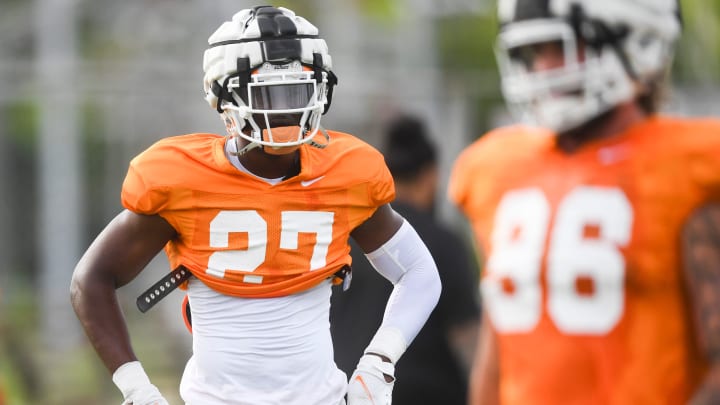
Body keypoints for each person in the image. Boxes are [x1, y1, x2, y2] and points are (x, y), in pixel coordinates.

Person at [70, 6, 441, 405]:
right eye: (268, 93)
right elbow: (90, 281)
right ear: (224, 96)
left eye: (296, 91)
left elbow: (420, 272)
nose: (284, 109)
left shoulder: (345, 175)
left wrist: (379, 363)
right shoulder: (183, 180)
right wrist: (137, 390)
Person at [448, 1, 720, 404]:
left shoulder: (690, 169)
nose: (544, 67)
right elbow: (503, 333)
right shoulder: (498, 170)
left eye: (561, 48)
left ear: (636, 43)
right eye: (536, 52)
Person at [330, 115, 480, 405]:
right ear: (431, 175)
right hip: (427, 393)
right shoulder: (443, 243)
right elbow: (468, 338)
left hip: (350, 390)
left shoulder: (344, 237)